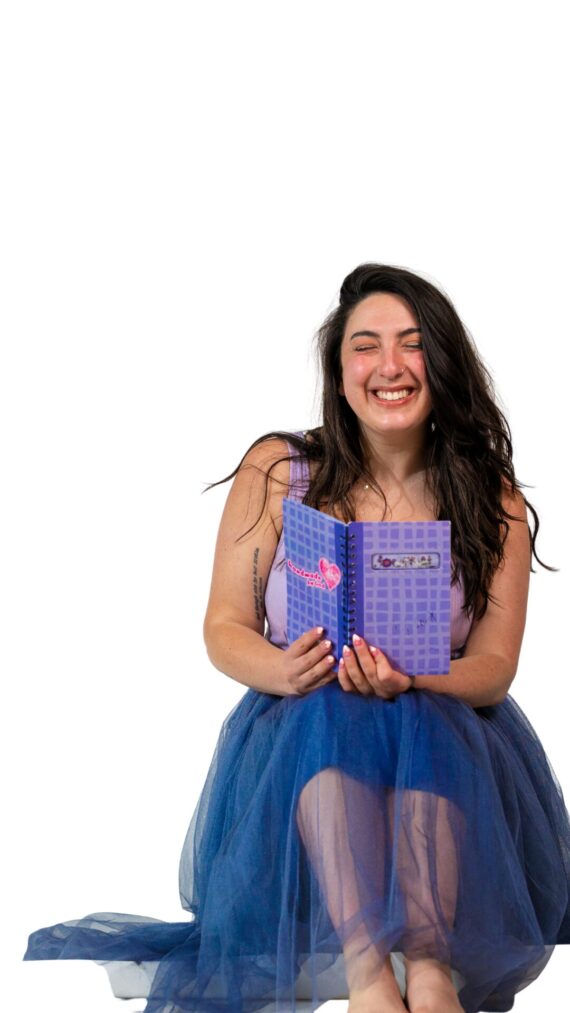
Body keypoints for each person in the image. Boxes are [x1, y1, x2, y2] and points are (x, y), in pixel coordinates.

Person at [24, 263, 570, 1013]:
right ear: (339, 372)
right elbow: (224, 626)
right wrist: (286, 669)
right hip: (300, 736)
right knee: (329, 708)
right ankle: (370, 976)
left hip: (448, 739)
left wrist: (413, 677)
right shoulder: (281, 469)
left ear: (442, 362)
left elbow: (495, 667)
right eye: (365, 346)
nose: (389, 366)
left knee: (424, 714)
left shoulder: (490, 496)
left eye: (412, 344)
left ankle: (430, 967)